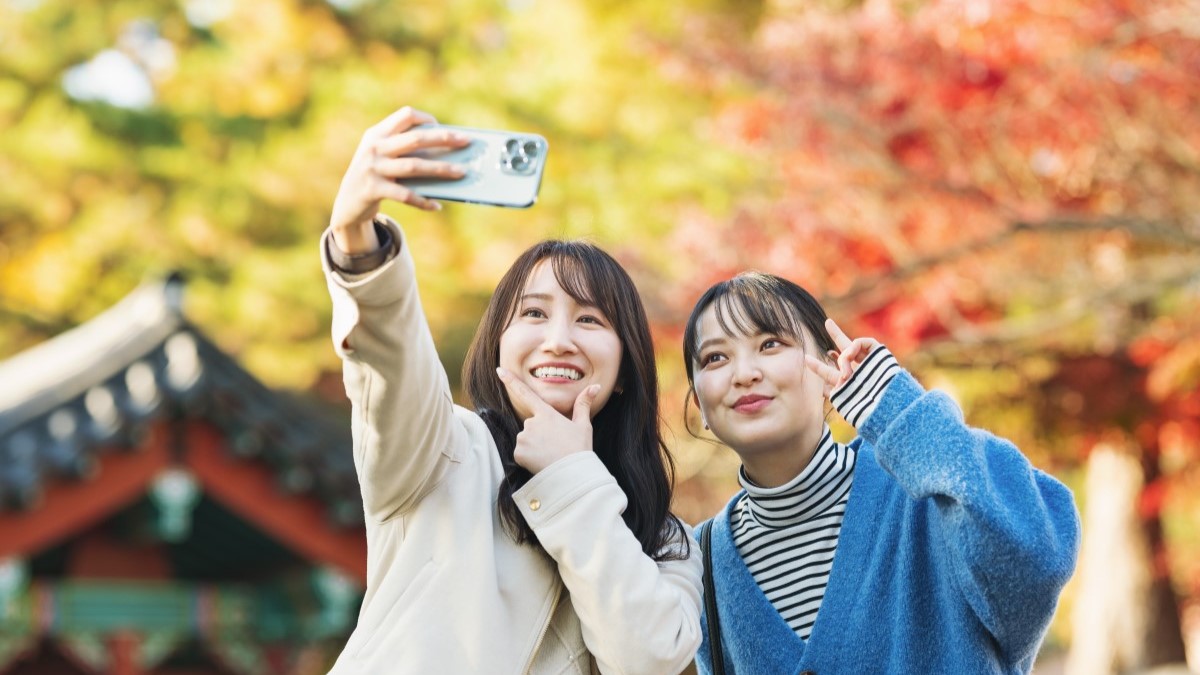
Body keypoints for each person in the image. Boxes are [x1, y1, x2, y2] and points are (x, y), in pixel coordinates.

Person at [320, 106, 702, 674]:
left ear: (625, 369)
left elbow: (646, 660)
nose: (558, 340)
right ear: (498, 342)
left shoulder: (667, 540)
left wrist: (571, 475)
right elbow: (390, 362)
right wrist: (358, 242)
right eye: (533, 313)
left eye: (590, 320)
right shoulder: (445, 450)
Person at [682, 272, 1080, 674]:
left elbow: (1036, 559)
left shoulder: (924, 492)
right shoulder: (702, 560)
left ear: (828, 367)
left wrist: (900, 413)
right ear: (700, 403)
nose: (744, 373)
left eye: (770, 344)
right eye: (716, 357)